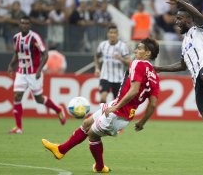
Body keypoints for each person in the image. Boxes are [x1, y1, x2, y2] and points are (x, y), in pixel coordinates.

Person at [41, 38, 160, 173]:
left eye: (139, 48)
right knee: (87, 123)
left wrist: (116, 107)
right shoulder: (154, 75)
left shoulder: (138, 63)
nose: (135, 51)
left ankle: (99, 167)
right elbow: (153, 104)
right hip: (122, 110)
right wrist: (142, 122)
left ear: (148, 53)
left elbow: (133, 91)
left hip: (118, 112)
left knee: (92, 134)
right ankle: (60, 150)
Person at [7, 16, 66, 134]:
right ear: (20, 24)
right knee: (17, 96)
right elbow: (17, 54)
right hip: (21, 72)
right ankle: (19, 127)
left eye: (27, 23)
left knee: (39, 99)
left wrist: (39, 70)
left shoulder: (35, 38)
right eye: (22, 23)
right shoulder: (16, 38)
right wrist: (11, 65)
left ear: (30, 25)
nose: (24, 25)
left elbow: (45, 55)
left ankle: (58, 109)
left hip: (34, 73)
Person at [94, 24, 131, 103]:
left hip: (118, 78)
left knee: (117, 102)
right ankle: (103, 114)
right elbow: (96, 56)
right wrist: (97, 68)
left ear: (117, 34)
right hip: (105, 76)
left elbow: (129, 62)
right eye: (111, 33)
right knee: (103, 98)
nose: (112, 35)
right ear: (107, 34)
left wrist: (120, 58)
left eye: (114, 33)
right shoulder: (103, 45)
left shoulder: (122, 46)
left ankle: (114, 115)